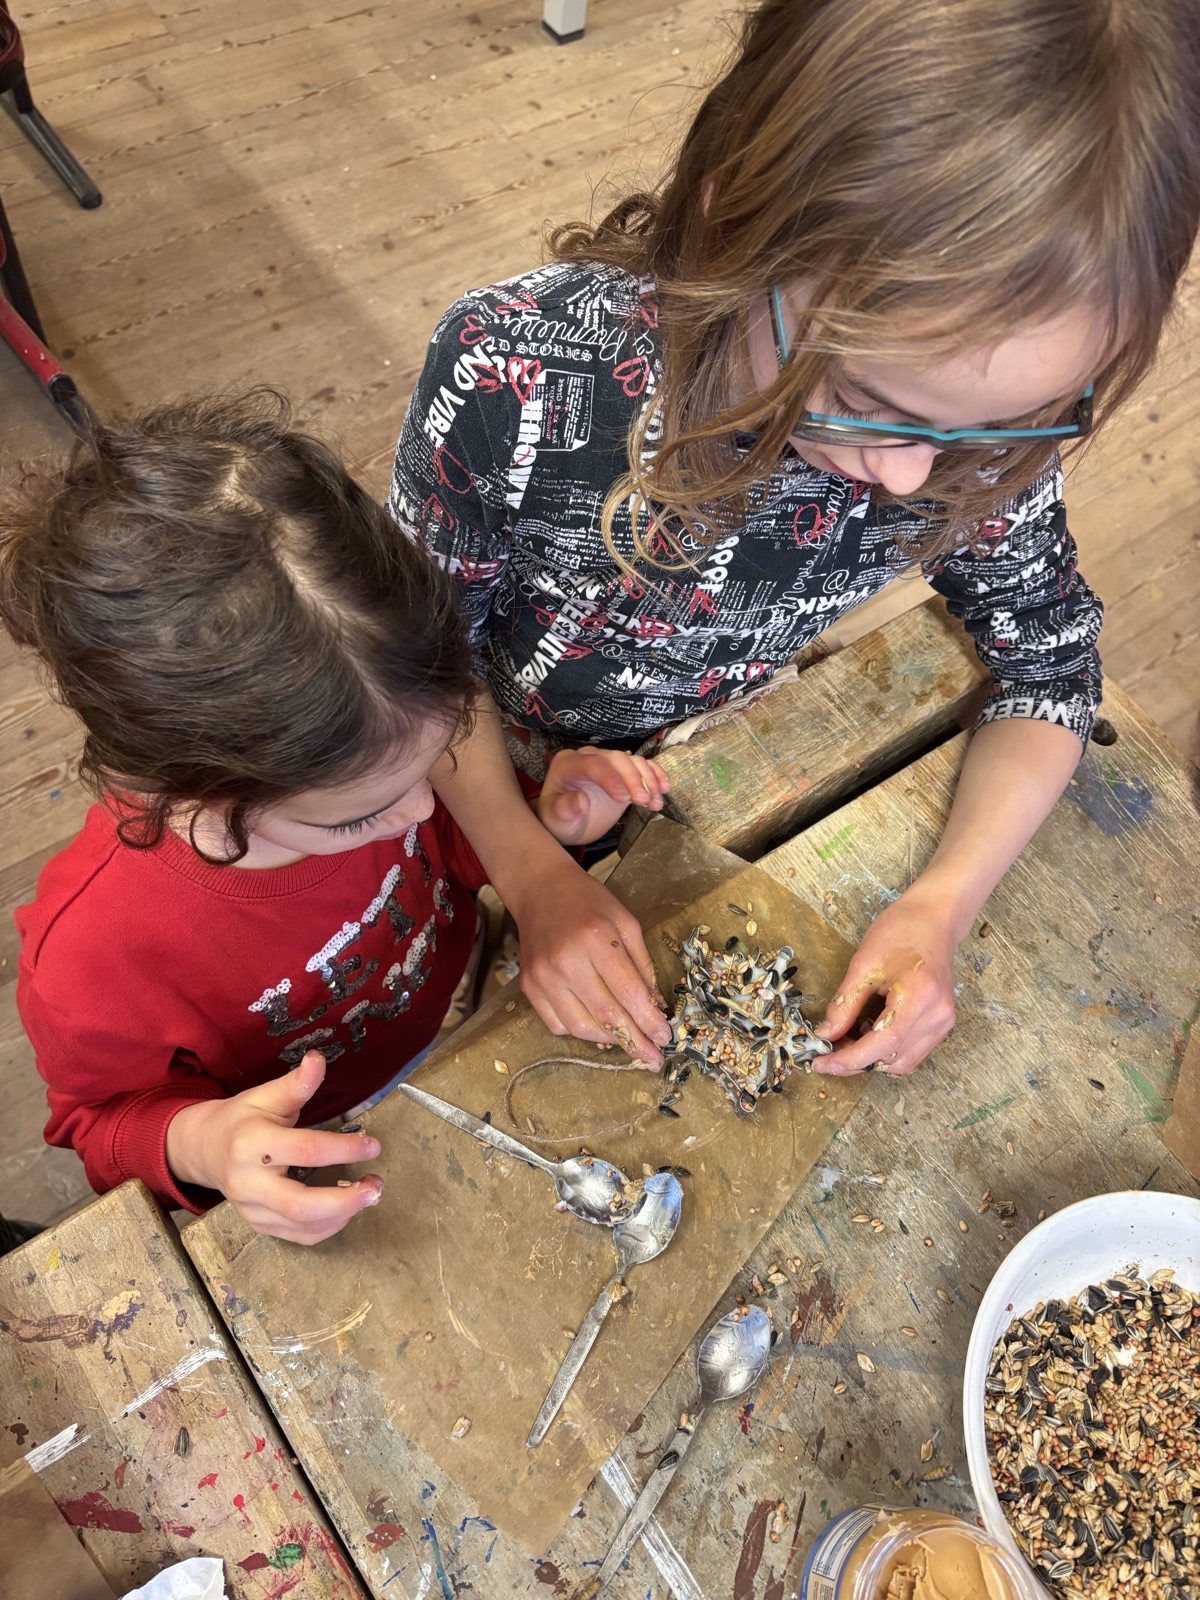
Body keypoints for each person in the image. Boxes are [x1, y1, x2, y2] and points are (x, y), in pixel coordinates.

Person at [389, 0, 1200, 1079]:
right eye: (868, 403)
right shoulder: (513, 372)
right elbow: (414, 668)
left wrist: (944, 903)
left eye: (1006, 424)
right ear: (739, 216)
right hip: (472, 779)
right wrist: (529, 869)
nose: (914, 477)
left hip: (711, 775)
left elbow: (1051, 668)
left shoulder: (972, 442)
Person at [0, 393, 668, 1245]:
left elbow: (446, 846)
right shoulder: (94, 955)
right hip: (323, 1162)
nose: (422, 808)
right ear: (201, 796)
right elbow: (100, 1125)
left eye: (435, 760)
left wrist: (549, 822)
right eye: (364, 816)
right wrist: (206, 1143)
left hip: (457, 1017)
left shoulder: (358, 770)